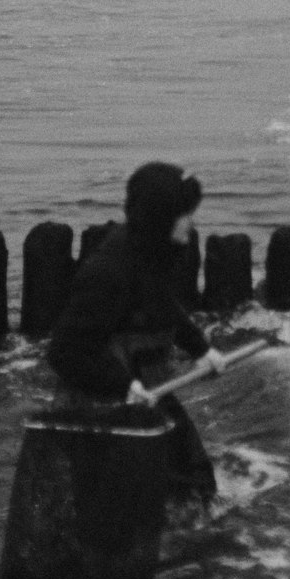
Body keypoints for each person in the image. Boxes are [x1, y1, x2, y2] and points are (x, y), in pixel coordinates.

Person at [48, 161, 222, 500]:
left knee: (195, 480)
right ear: (161, 220)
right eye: (185, 213)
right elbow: (64, 353)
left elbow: (161, 304)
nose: (192, 221)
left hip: (142, 388)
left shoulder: (149, 252)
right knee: (122, 497)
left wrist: (201, 349)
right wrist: (122, 386)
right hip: (100, 403)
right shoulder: (109, 273)